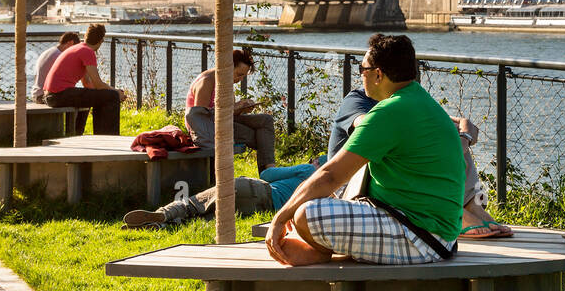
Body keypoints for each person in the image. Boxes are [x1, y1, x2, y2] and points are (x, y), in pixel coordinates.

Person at [265, 34, 465, 266]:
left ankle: (321, 251)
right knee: (318, 201)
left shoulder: (390, 112)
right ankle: (326, 249)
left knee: (306, 214)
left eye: (363, 68)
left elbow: (330, 175)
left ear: (378, 74)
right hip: (439, 235)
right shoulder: (422, 102)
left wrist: (281, 217)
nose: (361, 74)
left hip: (419, 239)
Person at [328, 85, 511, 239]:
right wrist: (461, 141)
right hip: (351, 183)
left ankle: (472, 205)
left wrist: (463, 131)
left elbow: (440, 125)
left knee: (448, 131)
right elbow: (375, 128)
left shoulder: (406, 102)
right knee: (402, 144)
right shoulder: (357, 99)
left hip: (388, 183)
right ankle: (454, 213)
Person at [123, 156, 326, 228]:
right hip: (262, 208)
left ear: (317, 163)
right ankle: (160, 226)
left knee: (193, 204)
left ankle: (164, 213)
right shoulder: (326, 191)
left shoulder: (308, 170)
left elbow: (267, 174)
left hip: (256, 189)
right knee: (205, 218)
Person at [184, 49, 274, 172]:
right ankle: (269, 172)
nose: (240, 79)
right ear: (227, 67)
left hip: (223, 121)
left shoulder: (227, 82)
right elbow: (200, 119)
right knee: (259, 136)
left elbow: (230, 112)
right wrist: (235, 107)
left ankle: (270, 170)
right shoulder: (207, 81)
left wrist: (242, 108)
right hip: (209, 127)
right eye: (239, 74)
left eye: (243, 76)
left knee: (266, 120)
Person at [44, 23, 121, 135]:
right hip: (59, 95)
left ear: (85, 37)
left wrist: (105, 92)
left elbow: (88, 84)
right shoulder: (88, 52)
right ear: (101, 41)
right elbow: (98, 84)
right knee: (112, 96)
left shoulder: (78, 48)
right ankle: (109, 137)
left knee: (101, 96)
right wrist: (116, 92)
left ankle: (92, 134)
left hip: (51, 95)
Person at [33, 31, 80, 104]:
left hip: (37, 94)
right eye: (75, 48)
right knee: (83, 98)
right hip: (45, 96)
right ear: (70, 43)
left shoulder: (51, 51)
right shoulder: (60, 56)